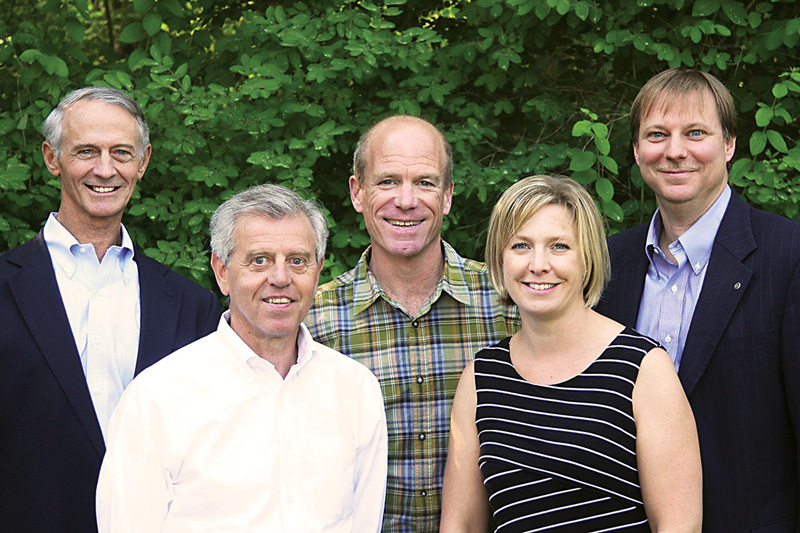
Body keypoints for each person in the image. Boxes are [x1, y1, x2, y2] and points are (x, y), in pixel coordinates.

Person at [96, 184, 387, 532]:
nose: (280, 278)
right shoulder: (157, 398)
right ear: (222, 272)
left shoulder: (355, 389)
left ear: (318, 270)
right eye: (259, 260)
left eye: (297, 261)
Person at [0, 86, 220, 532]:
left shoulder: (191, 305)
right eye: (86, 151)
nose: (105, 169)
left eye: (121, 152)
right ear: (52, 158)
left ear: (143, 161)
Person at [596, 68, 800, 531]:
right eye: (657, 134)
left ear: (728, 144)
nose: (674, 151)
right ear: (636, 150)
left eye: (695, 133)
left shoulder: (788, 257)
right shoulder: (608, 264)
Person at [440, 175, 702, 532]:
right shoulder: (481, 377)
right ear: (500, 259)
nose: (538, 264)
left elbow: (679, 525)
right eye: (521, 246)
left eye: (559, 246)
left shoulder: (642, 368)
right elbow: (461, 526)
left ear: (587, 258)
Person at [305, 115, 519, 531]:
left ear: (447, 196)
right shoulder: (314, 321)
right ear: (357, 192)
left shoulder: (509, 305)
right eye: (387, 182)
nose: (406, 200)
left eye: (424, 182)